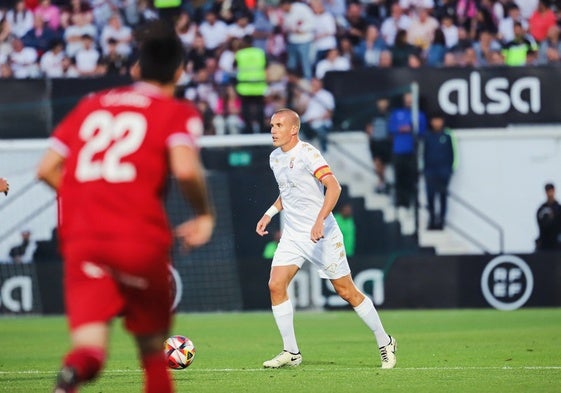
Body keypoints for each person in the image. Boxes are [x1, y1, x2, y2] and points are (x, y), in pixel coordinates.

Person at [36, 20, 215, 393]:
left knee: (89, 350)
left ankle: (70, 377)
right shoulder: (175, 111)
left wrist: (84, 198)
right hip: (137, 237)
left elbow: (46, 169)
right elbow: (184, 168)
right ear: (180, 71)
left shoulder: (90, 105)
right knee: (153, 355)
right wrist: (203, 214)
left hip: (83, 239)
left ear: (136, 68)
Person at [255, 108, 396, 370]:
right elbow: (288, 192)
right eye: (272, 125)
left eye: (279, 125)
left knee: (346, 291)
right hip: (295, 235)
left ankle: (385, 340)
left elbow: (334, 186)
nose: (273, 130)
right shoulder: (275, 158)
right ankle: (291, 352)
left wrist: (320, 219)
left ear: (293, 129)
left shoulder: (308, 154)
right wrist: (270, 213)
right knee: (275, 285)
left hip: (322, 235)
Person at [423, 113, 455, 230]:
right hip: (430, 172)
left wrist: (450, 170)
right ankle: (432, 220)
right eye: (434, 120)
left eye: (439, 120)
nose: (437, 123)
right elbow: (423, 154)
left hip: (443, 172)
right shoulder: (428, 136)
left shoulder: (448, 135)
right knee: (430, 197)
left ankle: (441, 221)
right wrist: (424, 170)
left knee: (442, 197)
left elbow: (454, 154)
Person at [365, 98, 392, 194]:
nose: (382, 104)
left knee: (384, 165)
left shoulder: (390, 115)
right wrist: (371, 139)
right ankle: (381, 182)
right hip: (376, 143)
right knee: (377, 164)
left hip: (386, 143)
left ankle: (382, 183)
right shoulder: (373, 115)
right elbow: (368, 129)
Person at [535, 183, 561, 251]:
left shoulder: (558, 208)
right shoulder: (541, 208)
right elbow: (540, 225)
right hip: (544, 243)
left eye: (550, 190)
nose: (549, 193)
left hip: (557, 243)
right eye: (547, 191)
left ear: (554, 191)